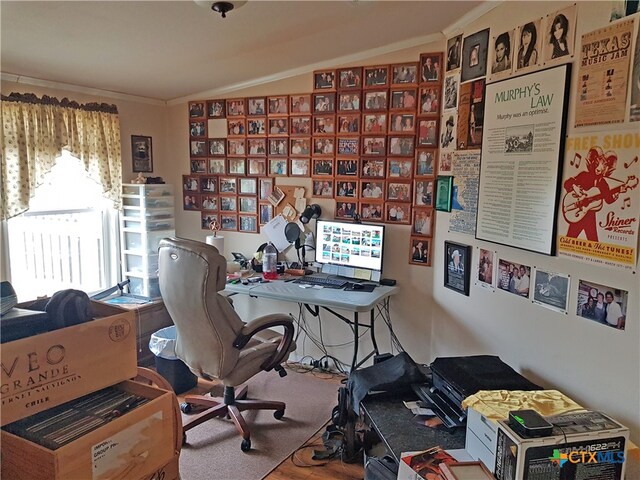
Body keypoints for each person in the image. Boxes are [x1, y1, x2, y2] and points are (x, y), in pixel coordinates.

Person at [563, 147, 620, 241]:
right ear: (593, 162)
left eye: (604, 165)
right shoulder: (584, 175)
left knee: (593, 242)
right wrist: (574, 187)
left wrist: (615, 195)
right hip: (577, 213)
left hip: (590, 216)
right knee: (569, 240)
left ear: (607, 168)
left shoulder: (603, 184)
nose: (599, 168)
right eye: (597, 163)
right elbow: (567, 183)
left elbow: (608, 199)